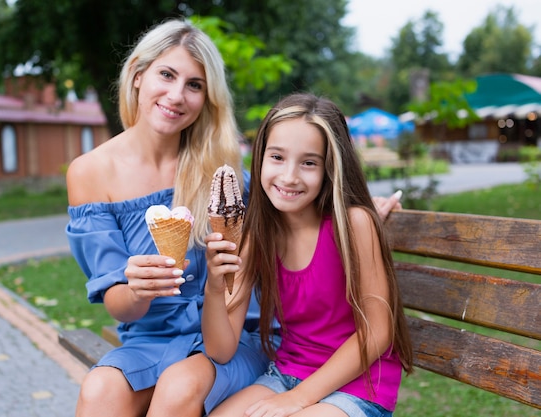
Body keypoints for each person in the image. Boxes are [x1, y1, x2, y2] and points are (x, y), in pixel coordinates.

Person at [66, 17, 403, 417]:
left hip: (240, 340)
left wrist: (352, 212)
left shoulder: (222, 171)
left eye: (195, 85)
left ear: (208, 98)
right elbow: (118, 303)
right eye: (167, 75)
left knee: (180, 387)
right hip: (155, 338)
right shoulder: (90, 173)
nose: (177, 95)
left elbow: (286, 195)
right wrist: (136, 289)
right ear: (138, 73)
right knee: (99, 391)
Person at [203, 93, 413, 417]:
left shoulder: (353, 224)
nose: (289, 176)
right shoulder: (257, 235)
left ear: (330, 167)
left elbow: (377, 331)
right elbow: (221, 349)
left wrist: (298, 398)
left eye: (309, 162)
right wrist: (214, 289)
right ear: (259, 158)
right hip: (288, 373)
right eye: (277, 157)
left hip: (358, 384)